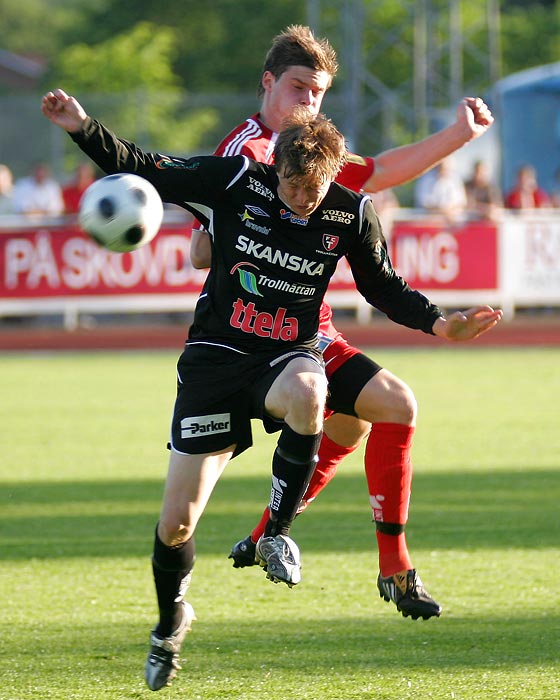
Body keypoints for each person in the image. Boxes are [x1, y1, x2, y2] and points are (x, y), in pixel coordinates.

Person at [41, 88, 502, 692]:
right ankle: (169, 622)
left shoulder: (349, 212)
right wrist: (81, 125)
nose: (301, 202)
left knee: (313, 393)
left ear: (333, 177)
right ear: (275, 168)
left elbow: (384, 288)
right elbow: (144, 164)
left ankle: (277, 534)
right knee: (177, 524)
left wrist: (443, 323)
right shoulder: (237, 179)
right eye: (291, 187)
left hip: (290, 353)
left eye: (313, 192)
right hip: (217, 359)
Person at [189, 25, 496, 621]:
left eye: (319, 92)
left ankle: (269, 538)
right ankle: (391, 566)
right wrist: (205, 233)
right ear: (268, 83)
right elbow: (205, 242)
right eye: (299, 88)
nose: (309, 102)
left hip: (309, 330)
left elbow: (377, 171)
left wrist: (460, 134)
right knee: (389, 407)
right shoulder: (247, 151)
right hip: (258, 336)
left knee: (360, 423)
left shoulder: (312, 153)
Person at [416, 157, 467, 223]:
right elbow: (425, 203)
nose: (443, 169)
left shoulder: (455, 179)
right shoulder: (426, 180)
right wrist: (444, 211)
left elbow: (461, 202)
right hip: (430, 222)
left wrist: (447, 212)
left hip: (452, 223)